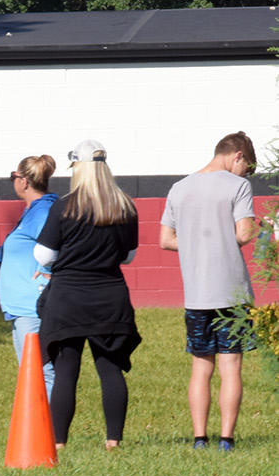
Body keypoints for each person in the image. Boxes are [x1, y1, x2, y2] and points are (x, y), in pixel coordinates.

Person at [34, 140, 141, 449]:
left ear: (77, 169)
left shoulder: (64, 206)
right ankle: (113, 441)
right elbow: (129, 257)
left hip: (68, 298)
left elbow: (43, 255)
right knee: (110, 368)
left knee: (66, 371)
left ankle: (59, 443)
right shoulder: (124, 206)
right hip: (110, 297)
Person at [158, 131, 259, 451]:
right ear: (238, 156)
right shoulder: (238, 186)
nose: (246, 174)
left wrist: (199, 240)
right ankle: (226, 439)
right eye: (248, 167)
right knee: (231, 366)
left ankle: (200, 437)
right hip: (231, 293)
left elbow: (165, 240)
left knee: (201, 368)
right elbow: (245, 234)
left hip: (196, 292)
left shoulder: (179, 188)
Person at [0, 154, 59, 398]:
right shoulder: (34, 211)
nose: (13, 181)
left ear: (23, 181)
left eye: (14, 176)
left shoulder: (43, 211)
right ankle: (38, 432)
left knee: (42, 372)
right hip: (21, 307)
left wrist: (47, 272)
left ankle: (52, 433)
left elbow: (58, 246)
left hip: (33, 307)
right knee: (31, 373)